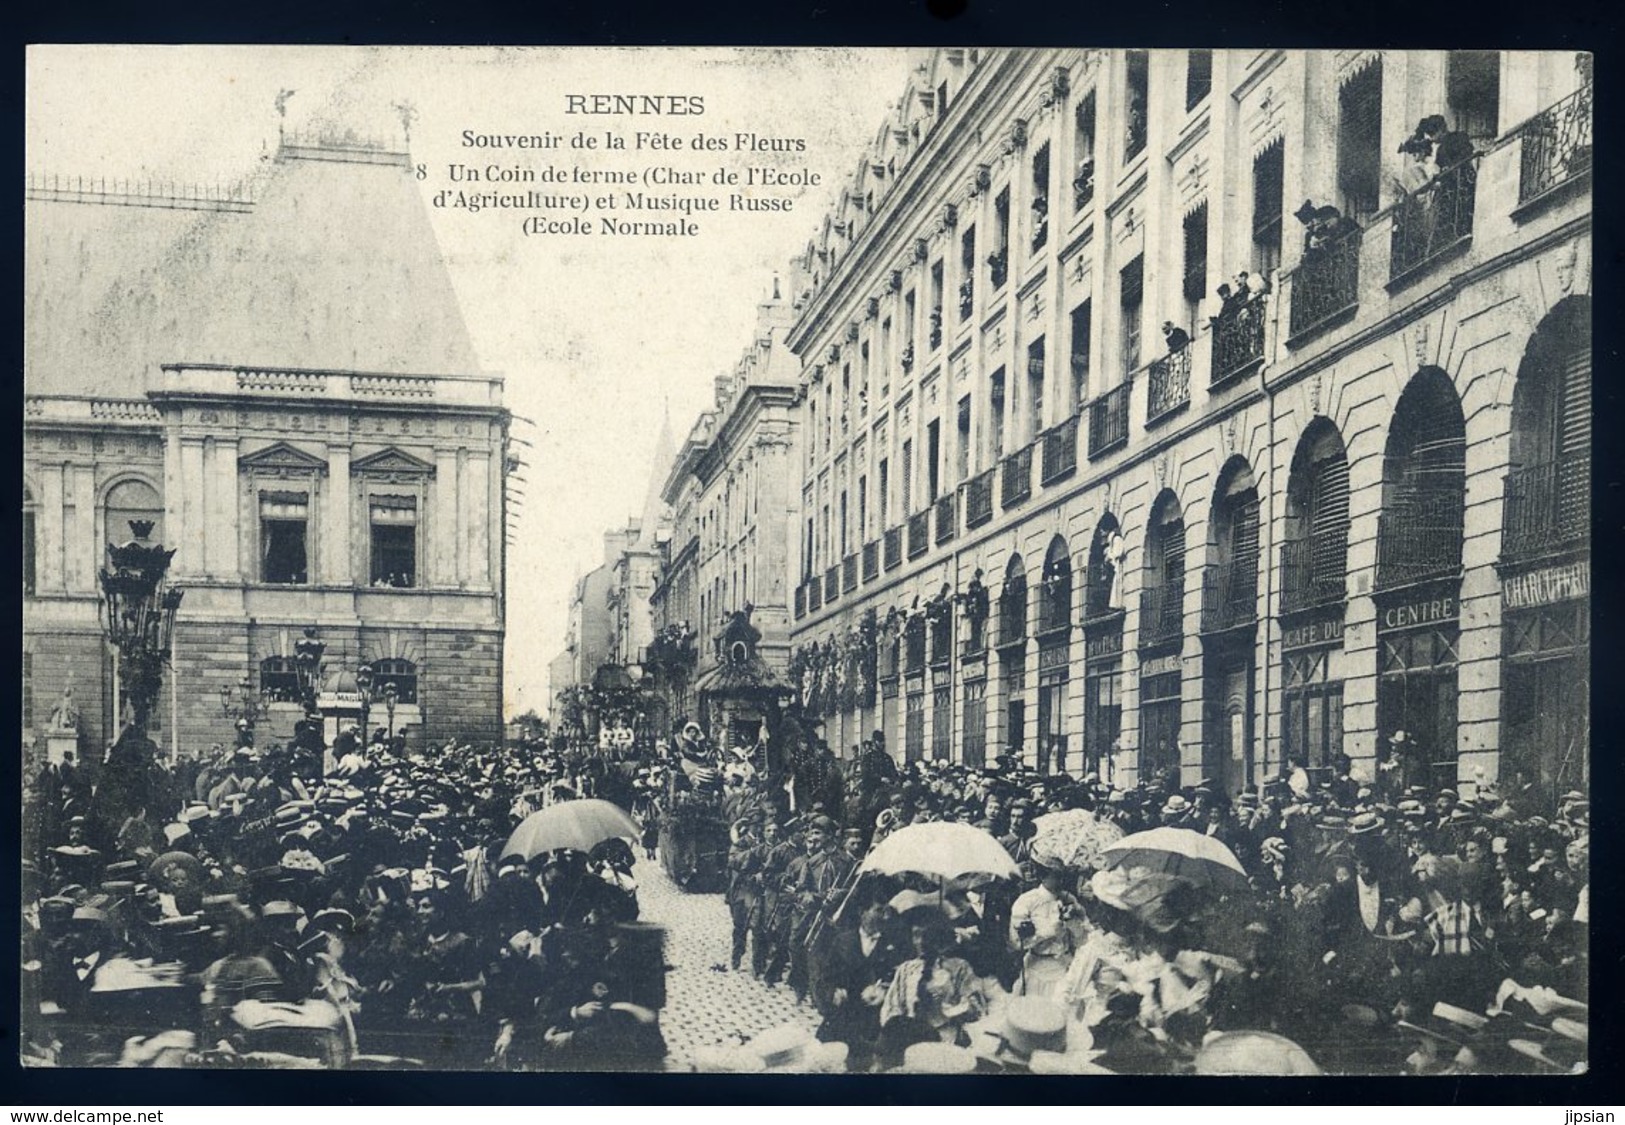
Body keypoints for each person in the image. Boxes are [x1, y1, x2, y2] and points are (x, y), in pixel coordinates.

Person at [876, 914, 987, 1066]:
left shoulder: (959, 967)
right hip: (906, 1043)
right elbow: (891, 1008)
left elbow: (977, 1010)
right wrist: (901, 1031)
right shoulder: (906, 969)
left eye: (926, 936)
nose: (921, 942)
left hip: (946, 1043)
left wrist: (949, 1008)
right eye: (916, 935)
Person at [1009, 857, 1084, 996]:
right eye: (1056, 876)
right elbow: (1016, 942)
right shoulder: (1027, 901)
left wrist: (1074, 922)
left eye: (1063, 876)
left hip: (1065, 967)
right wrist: (1049, 931)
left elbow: (1081, 939)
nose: (1061, 881)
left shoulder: (1069, 899)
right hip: (1038, 968)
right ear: (1043, 876)